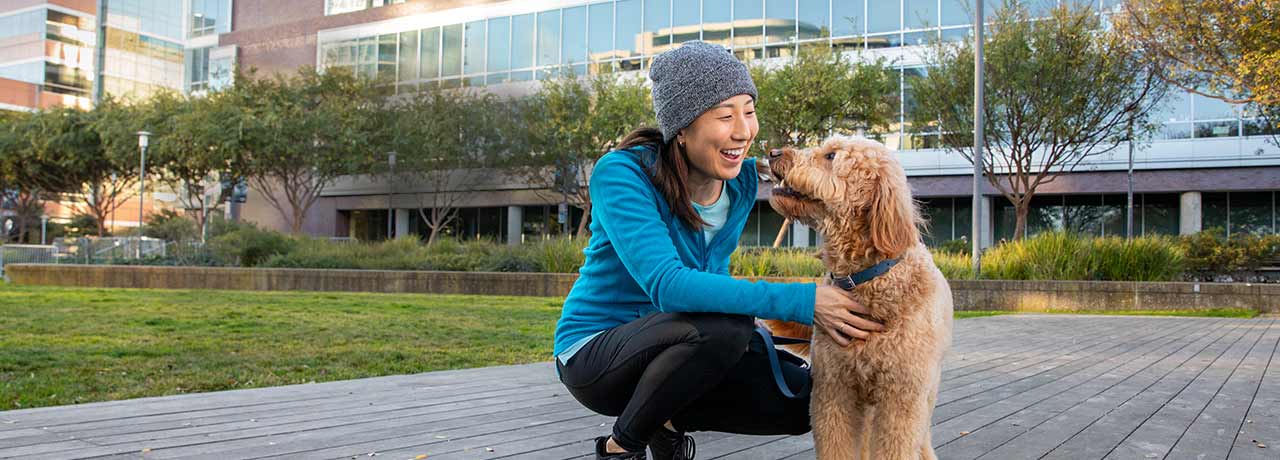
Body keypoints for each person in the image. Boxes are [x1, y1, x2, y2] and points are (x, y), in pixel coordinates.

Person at [553, 41, 883, 460]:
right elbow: (669, 286)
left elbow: (714, 276)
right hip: (597, 356)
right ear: (683, 129)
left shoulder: (742, 182)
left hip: (688, 347)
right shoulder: (622, 173)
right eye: (725, 116)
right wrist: (804, 300)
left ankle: (665, 420)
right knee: (723, 328)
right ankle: (622, 446)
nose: (744, 130)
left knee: (812, 399)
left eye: (749, 110)